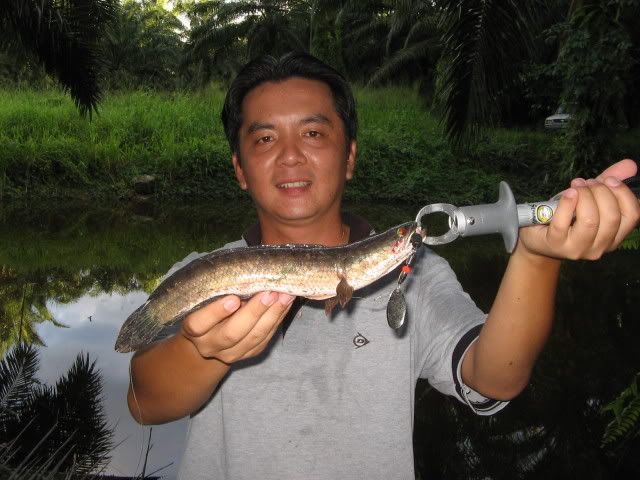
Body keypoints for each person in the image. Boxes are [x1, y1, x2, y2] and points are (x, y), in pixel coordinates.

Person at [126, 52, 640, 479]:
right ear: (239, 168)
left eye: (313, 133)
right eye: (264, 139)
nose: (290, 156)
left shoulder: (418, 277)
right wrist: (203, 351)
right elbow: (146, 404)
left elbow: (495, 379)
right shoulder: (200, 273)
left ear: (350, 156)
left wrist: (536, 256)